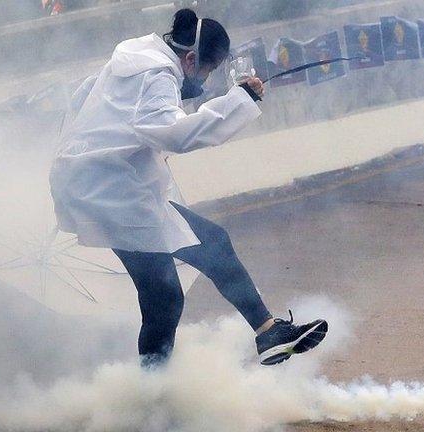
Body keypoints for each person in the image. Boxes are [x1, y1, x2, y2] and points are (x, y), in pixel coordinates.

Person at [49, 8, 327, 367]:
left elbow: (91, 102)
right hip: (108, 193)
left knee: (212, 244)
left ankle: (268, 332)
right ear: (191, 58)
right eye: (207, 71)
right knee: (163, 296)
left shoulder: (135, 54)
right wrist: (239, 101)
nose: (204, 80)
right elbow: (177, 134)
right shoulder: (158, 74)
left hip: (105, 183)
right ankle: (150, 395)